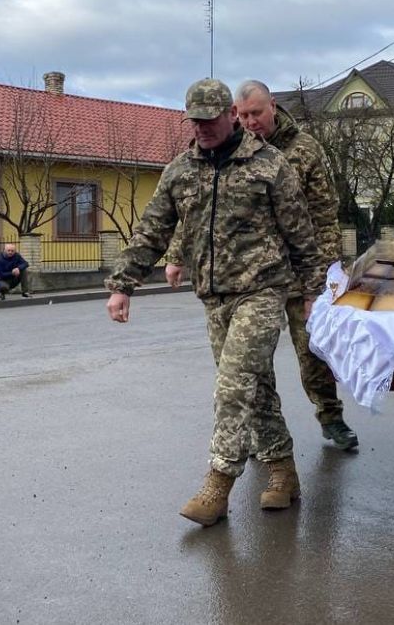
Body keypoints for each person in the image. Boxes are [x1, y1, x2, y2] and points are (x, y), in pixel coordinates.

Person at [105, 78, 323, 527]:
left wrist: (314, 291)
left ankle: (218, 482)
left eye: (209, 120)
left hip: (262, 292)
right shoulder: (180, 171)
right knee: (255, 388)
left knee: (232, 384)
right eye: (194, 121)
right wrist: (124, 283)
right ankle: (283, 471)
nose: (201, 128)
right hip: (213, 297)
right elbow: (153, 229)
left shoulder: (269, 165)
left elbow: (301, 231)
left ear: (229, 115)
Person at [184, 79, 356, 449]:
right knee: (252, 362)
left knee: (312, 350)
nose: (250, 122)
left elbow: (325, 215)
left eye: (256, 113)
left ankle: (330, 415)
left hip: (298, 272)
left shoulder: (304, 151)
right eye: (243, 115)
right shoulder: (230, 153)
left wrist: (326, 275)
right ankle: (262, 434)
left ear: (273, 107)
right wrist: (176, 257)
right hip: (253, 277)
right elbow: (197, 211)